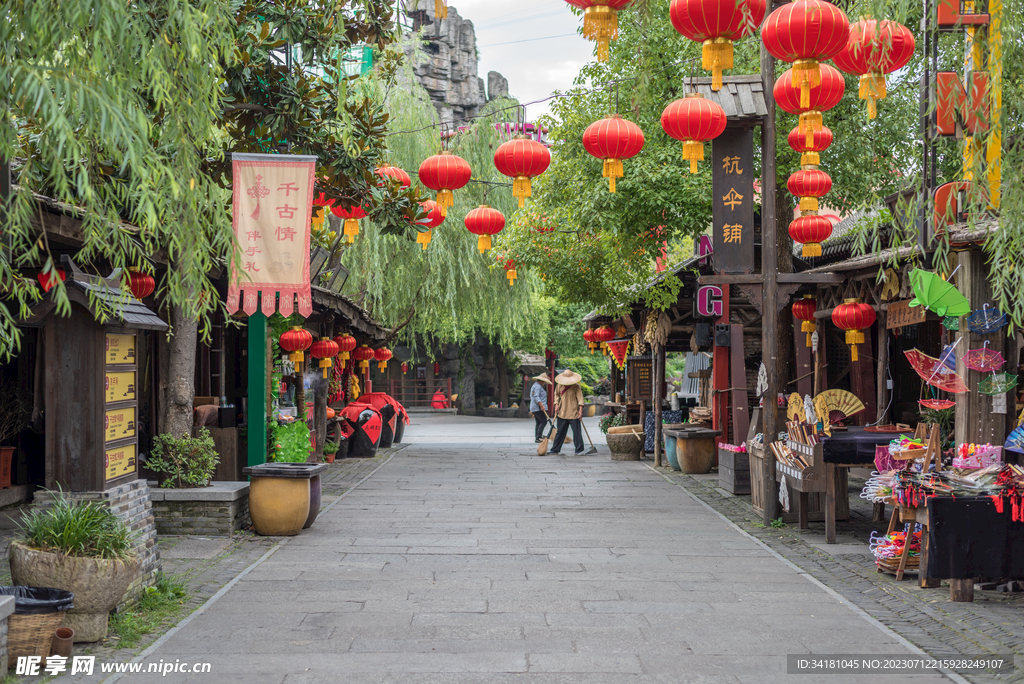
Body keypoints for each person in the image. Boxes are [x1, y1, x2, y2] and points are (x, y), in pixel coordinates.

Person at [549, 369, 585, 455]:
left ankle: (579, 449)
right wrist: (556, 404)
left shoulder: (576, 386)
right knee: (560, 432)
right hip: (562, 413)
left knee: (577, 433)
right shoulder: (559, 385)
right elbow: (556, 394)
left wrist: (580, 411)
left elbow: (580, 399)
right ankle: (555, 449)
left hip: (574, 413)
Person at [530, 373, 552, 442]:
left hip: (536, 407)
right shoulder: (537, 387)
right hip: (538, 408)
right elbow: (536, 397)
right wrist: (542, 406)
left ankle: (537, 437)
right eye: (544, 381)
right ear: (541, 381)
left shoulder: (536, 385)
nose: (545, 383)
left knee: (539, 422)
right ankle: (539, 437)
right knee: (544, 421)